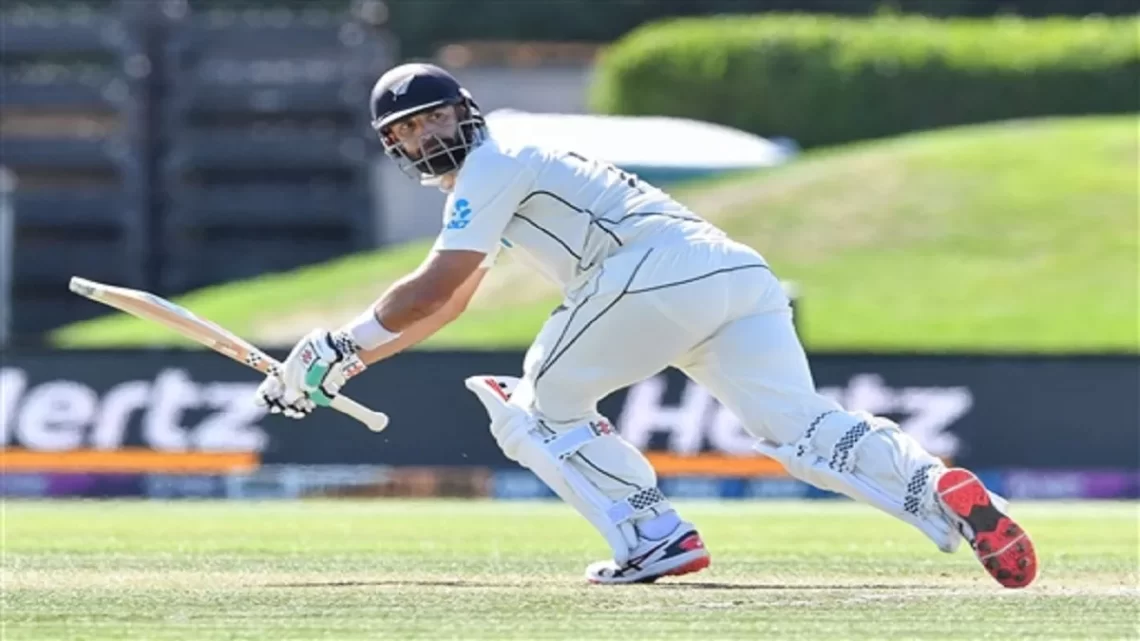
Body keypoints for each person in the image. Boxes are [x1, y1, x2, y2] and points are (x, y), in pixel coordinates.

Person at [254, 63, 1038, 588]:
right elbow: (453, 303)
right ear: (395, 147)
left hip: (652, 272)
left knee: (531, 407)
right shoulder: (508, 164)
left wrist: (332, 344)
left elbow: (435, 284)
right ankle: (936, 486)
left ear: (466, 110)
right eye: (407, 135)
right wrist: (346, 365)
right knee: (803, 431)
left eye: (433, 120)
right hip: (732, 275)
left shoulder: (492, 162)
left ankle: (651, 534)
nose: (425, 139)